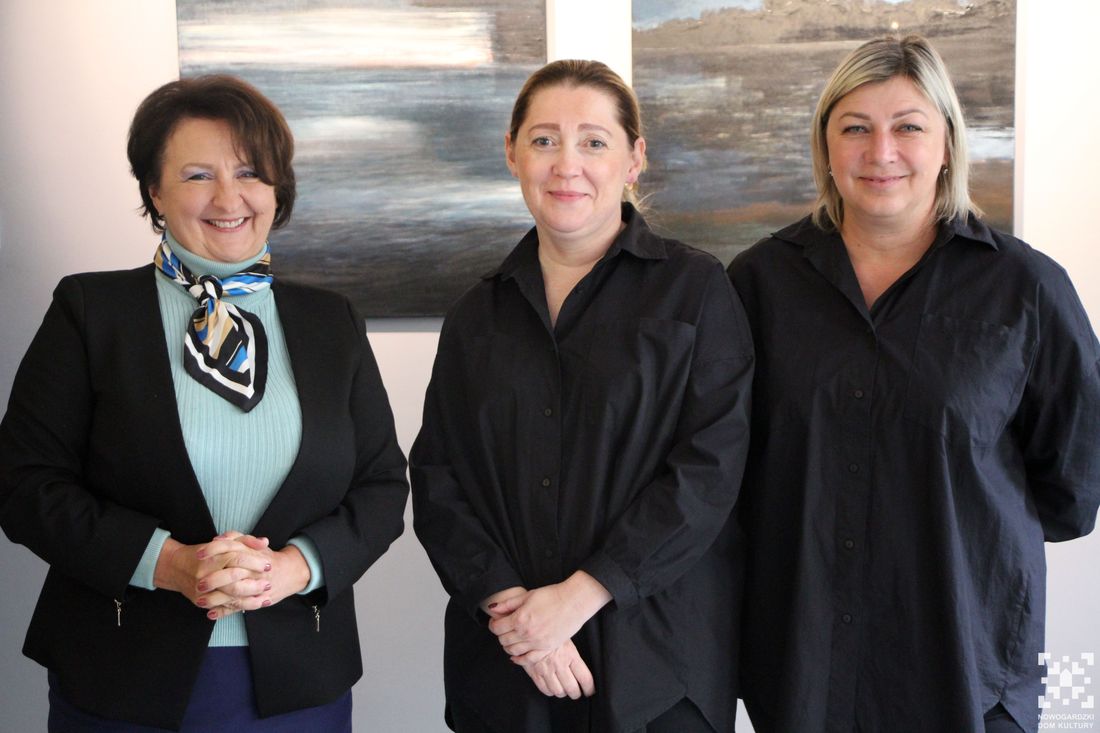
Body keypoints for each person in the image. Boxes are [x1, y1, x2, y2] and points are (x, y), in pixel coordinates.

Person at [0, 74, 409, 731]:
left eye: (249, 172)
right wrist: (166, 563)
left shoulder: (331, 321)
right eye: (197, 175)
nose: (228, 197)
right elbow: (25, 484)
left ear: (276, 189)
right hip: (122, 674)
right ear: (154, 192)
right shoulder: (90, 311)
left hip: (298, 676)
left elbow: (382, 485)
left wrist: (293, 568)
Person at [727, 35, 1100, 733]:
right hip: (803, 668)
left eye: (908, 127)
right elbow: (728, 474)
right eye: (855, 129)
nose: (882, 152)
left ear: (948, 143)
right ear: (825, 146)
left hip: (967, 669)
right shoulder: (756, 284)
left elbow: (1072, 493)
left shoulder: (1027, 289)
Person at [409, 59, 754, 733]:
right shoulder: (476, 314)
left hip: (657, 670)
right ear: (512, 153)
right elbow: (438, 477)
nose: (567, 164)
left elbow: (711, 471)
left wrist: (579, 597)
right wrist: (516, 615)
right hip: (507, 671)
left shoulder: (696, 290)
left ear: (634, 159)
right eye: (544, 140)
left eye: (594, 141)